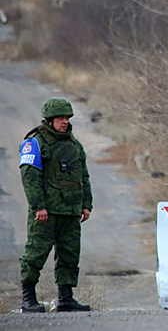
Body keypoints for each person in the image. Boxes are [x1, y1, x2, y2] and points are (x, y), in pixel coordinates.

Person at [19, 97, 92, 313]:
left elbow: (83, 177)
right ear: (50, 120)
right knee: (36, 253)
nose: (65, 122)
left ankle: (66, 298)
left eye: (67, 118)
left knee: (70, 253)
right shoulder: (35, 143)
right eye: (60, 118)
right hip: (46, 212)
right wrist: (38, 206)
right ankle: (28, 298)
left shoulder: (74, 145)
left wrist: (86, 205)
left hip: (70, 211)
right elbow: (29, 177)